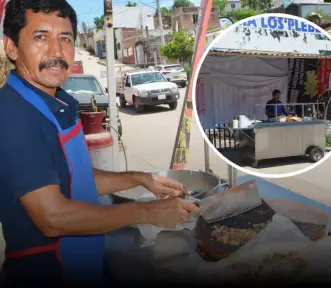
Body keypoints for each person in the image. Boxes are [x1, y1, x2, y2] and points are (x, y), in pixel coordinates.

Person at [0, 0, 199, 285]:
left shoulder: (60, 100)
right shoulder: (12, 115)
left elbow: (75, 177)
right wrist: (147, 211)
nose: (56, 52)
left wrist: (140, 179)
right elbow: (52, 217)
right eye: (40, 37)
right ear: (11, 47)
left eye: (65, 39)